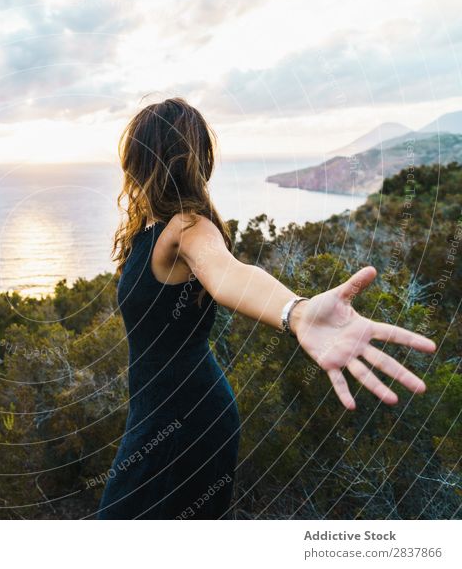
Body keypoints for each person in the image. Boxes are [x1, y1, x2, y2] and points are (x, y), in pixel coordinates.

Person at [95, 97, 437, 520]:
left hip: (186, 418)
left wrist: (296, 311)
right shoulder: (151, 231)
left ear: (139, 159)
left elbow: (228, 274)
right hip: (156, 410)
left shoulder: (188, 227)